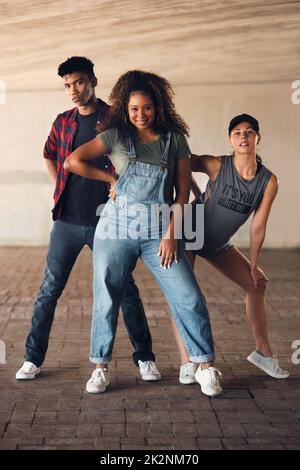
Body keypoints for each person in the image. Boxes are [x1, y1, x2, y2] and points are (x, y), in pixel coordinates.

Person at [64, 70, 223, 396]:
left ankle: (205, 367)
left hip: (158, 231)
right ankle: (100, 368)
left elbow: (181, 194)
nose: (140, 114)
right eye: (134, 108)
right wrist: (110, 181)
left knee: (188, 295)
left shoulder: (174, 139)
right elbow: (73, 162)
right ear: (125, 107)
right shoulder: (115, 136)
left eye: (147, 107)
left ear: (158, 106)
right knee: (107, 295)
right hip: (116, 228)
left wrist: (171, 235)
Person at [16, 57, 161, 382]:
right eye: (68, 85)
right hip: (67, 221)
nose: (74, 90)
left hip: (108, 222)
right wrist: (59, 187)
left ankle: (145, 358)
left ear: (93, 80)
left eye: (79, 82)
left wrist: (116, 184)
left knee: (125, 290)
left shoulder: (117, 119)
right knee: (49, 289)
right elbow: (49, 153)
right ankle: (32, 358)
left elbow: (135, 160)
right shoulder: (63, 121)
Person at [173, 113, 289, 385]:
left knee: (256, 285)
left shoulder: (268, 181)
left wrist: (253, 264)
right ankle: (187, 361)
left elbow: (258, 226)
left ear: (258, 138)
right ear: (230, 140)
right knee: (185, 295)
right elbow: (182, 161)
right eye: (237, 132)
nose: (243, 136)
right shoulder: (217, 165)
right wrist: (192, 192)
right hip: (189, 232)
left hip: (217, 243)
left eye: (249, 132)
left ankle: (263, 352)